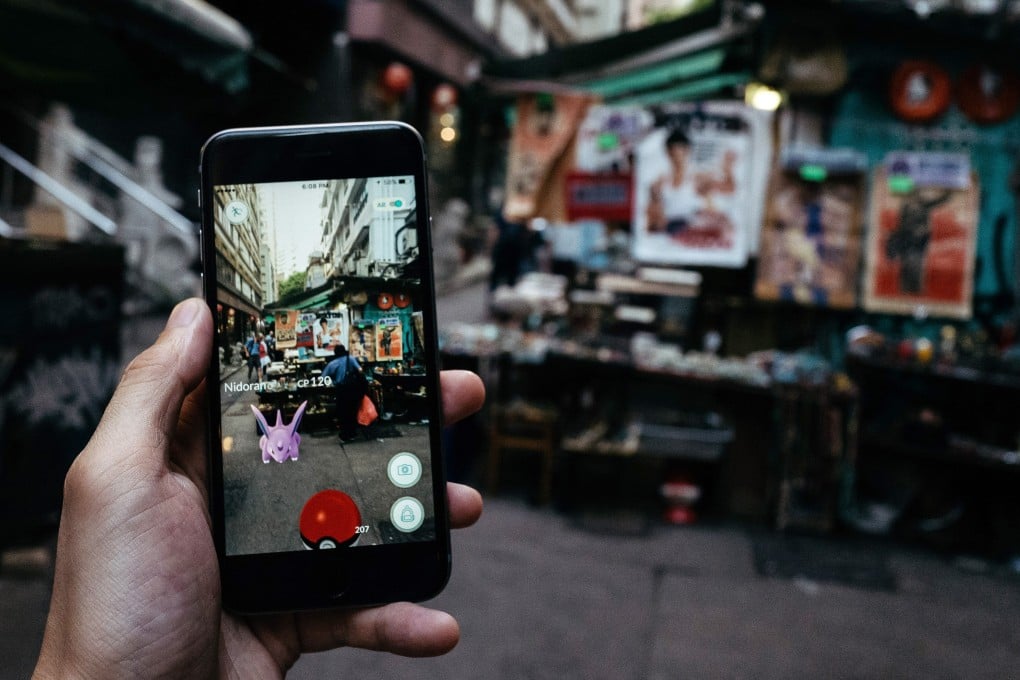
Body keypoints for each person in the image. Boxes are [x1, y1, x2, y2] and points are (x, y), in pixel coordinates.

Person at [32, 297, 486, 678]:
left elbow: (329, 384)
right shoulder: (342, 360)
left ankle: (332, 436)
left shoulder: (330, 362)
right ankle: (339, 435)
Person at [321, 343, 364, 442]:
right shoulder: (351, 359)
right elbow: (360, 370)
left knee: (343, 412)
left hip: (341, 389)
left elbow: (323, 377)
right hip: (353, 389)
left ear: (335, 353)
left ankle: (345, 435)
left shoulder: (332, 363)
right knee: (352, 411)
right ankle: (352, 433)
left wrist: (332, 381)